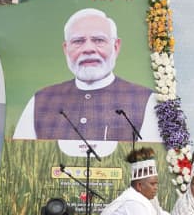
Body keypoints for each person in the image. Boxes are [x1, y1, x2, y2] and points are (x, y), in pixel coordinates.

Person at [13, 8, 160, 142]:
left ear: (116, 47)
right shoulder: (40, 100)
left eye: (99, 40)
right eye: (78, 41)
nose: (88, 49)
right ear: (66, 49)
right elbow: (20, 155)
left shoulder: (146, 101)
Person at [94, 147, 174, 215]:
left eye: (156, 184)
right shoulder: (133, 201)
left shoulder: (149, 200)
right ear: (139, 186)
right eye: (152, 184)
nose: (156, 188)